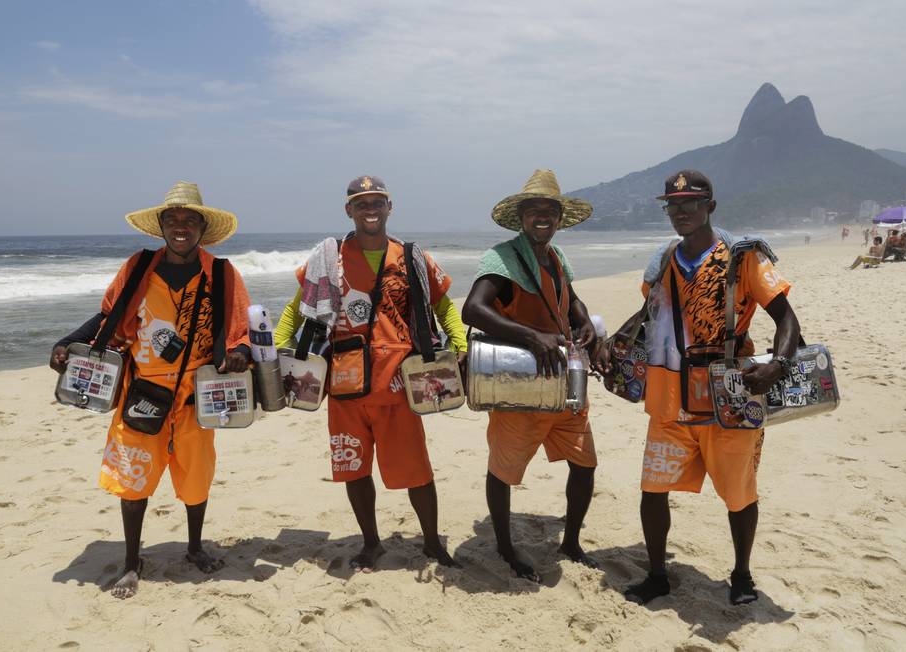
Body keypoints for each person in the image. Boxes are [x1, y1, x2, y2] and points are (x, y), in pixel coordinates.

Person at [49, 182, 252, 599]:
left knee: (197, 478)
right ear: (161, 226)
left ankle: (195, 547)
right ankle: (130, 562)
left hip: (198, 395)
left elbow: (240, 331)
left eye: (189, 220)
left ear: (201, 227)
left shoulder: (221, 272)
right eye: (173, 219)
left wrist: (240, 354)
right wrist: (67, 342)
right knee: (133, 479)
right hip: (142, 390)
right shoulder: (138, 268)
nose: (181, 227)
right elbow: (109, 316)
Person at [614, 170, 801, 606]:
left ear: (710, 206)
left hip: (731, 396)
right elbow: (651, 313)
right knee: (653, 489)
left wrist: (780, 363)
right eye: (673, 205)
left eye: (690, 203)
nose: (680, 212)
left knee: (739, 492)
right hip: (669, 399)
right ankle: (657, 574)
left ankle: (741, 574)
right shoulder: (662, 263)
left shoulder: (743, 258)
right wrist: (617, 343)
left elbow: (786, 319)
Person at [274, 175, 467, 572]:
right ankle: (371, 542)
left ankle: (431, 542)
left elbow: (443, 305)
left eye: (377, 202)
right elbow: (298, 309)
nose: (370, 210)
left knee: (416, 468)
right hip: (345, 382)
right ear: (349, 210)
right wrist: (278, 350)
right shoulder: (329, 258)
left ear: (389, 208)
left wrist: (459, 344)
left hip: (400, 381)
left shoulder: (412, 256)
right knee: (353, 466)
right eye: (361, 204)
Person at [461, 169, 602, 582]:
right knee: (503, 469)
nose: (543, 218)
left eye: (549, 212)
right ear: (521, 218)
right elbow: (473, 309)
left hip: (561, 379)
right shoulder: (501, 258)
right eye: (534, 211)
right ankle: (505, 546)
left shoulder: (557, 258)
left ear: (559, 218)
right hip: (519, 382)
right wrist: (530, 336)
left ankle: (571, 541)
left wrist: (586, 325)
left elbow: (570, 300)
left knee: (584, 463)